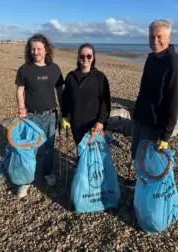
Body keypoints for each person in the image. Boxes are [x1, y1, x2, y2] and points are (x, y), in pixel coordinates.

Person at [15, 33, 64, 198]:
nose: (36, 52)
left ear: (46, 50)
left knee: (49, 147)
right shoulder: (24, 69)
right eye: (33, 49)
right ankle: (26, 180)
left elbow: (60, 90)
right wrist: (21, 108)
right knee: (29, 149)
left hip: (51, 115)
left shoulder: (54, 68)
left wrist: (64, 111)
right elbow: (20, 90)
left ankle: (47, 173)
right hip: (32, 116)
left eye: (39, 48)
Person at [131, 19, 178, 160]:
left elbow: (173, 101)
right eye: (152, 37)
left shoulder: (174, 64)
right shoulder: (151, 59)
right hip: (140, 118)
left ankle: (142, 181)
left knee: (147, 162)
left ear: (169, 37)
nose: (155, 40)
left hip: (155, 125)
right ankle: (136, 181)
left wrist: (166, 136)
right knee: (136, 155)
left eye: (159, 36)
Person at [61, 43, 111, 152]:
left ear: (93, 58)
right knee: (80, 150)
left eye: (89, 56)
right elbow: (65, 98)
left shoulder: (100, 77)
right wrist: (64, 116)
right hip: (76, 123)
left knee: (93, 154)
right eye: (82, 56)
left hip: (94, 124)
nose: (85, 59)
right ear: (78, 57)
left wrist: (101, 121)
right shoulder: (71, 76)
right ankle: (80, 168)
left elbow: (106, 101)